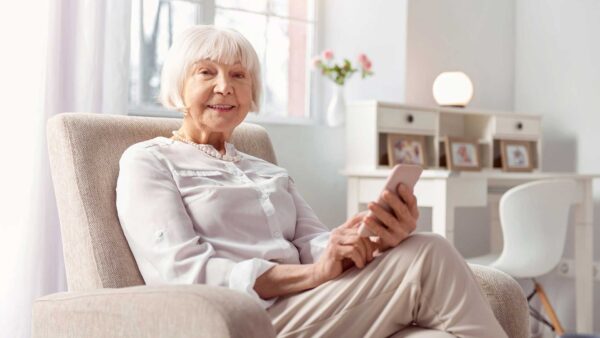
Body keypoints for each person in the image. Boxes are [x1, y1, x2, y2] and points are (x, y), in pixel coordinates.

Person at [116, 25, 507, 338]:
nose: (225, 86)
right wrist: (313, 275)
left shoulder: (267, 171)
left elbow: (316, 244)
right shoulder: (148, 161)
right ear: (178, 87)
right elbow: (184, 275)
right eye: (207, 72)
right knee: (430, 251)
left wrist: (368, 242)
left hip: (312, 302)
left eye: (239, 75)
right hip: (245, 321)